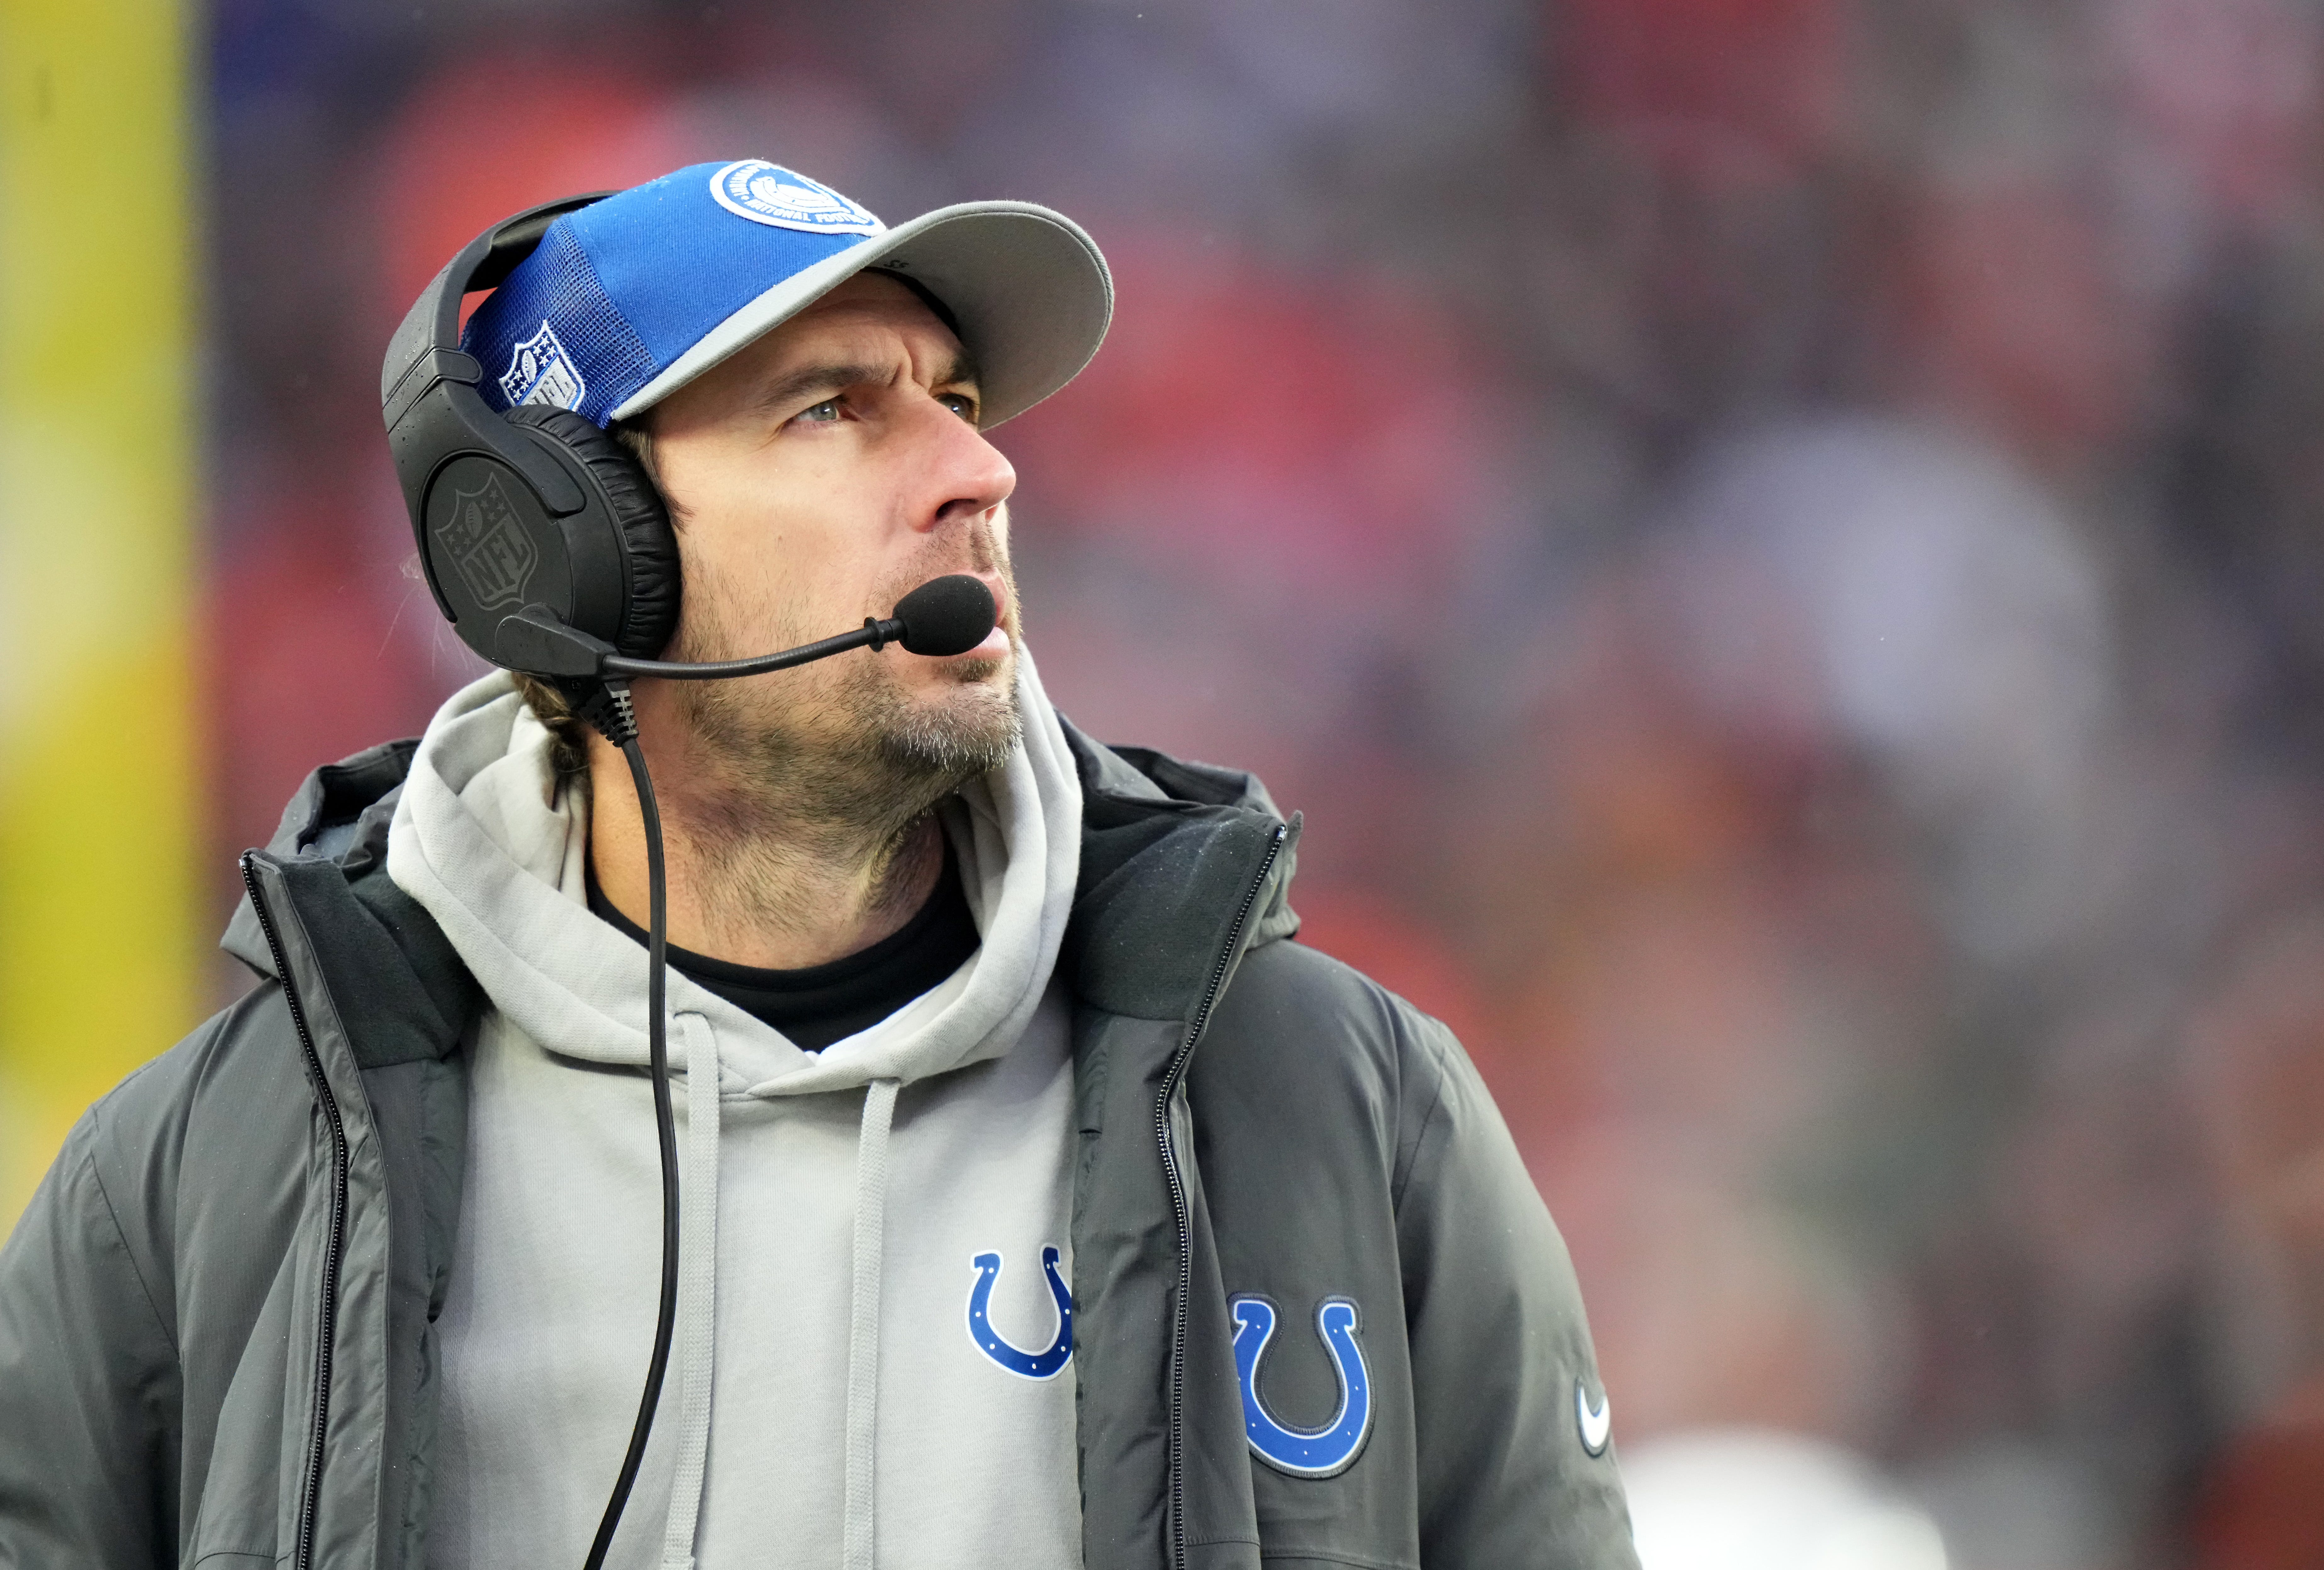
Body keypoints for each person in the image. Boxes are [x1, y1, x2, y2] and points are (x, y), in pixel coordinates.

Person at [0, 160, 1637, 1569]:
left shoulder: (1338, 1106)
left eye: (961, 402)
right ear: (565, 550)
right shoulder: (207, 1180)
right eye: (832, 409)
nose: (979, 475)